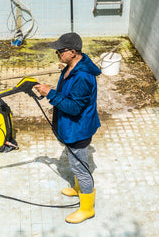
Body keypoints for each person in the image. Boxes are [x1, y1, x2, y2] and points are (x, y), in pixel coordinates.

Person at [34, 32, 101, 224]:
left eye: (59, 51)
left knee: (81, 169)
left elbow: (74, 107)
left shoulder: (82, 77)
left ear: (72, 52)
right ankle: (78, 189)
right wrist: (64, 72)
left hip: (78, 129)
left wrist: (49, 93)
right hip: (71, 127)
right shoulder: (72, 67)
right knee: (76, 162)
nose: (57, 54)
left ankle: (87, 208)